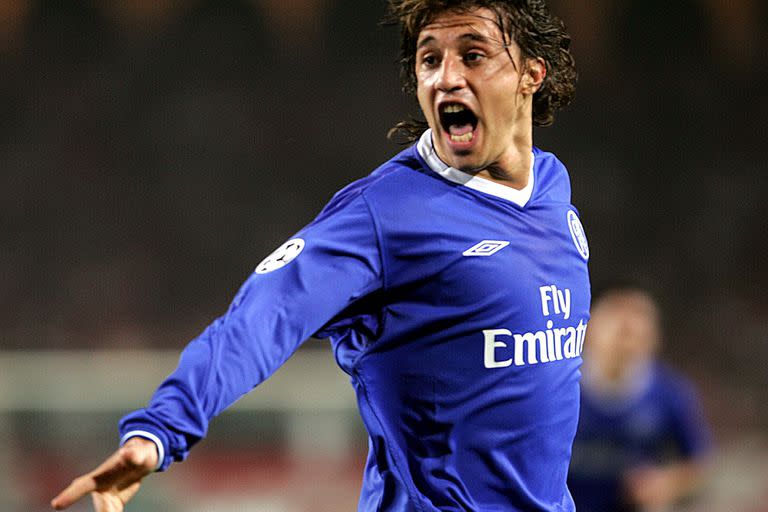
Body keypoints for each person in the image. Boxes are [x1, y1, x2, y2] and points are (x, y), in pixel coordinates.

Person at [52, 1, 588, 510]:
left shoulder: (552, 189)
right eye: (430, 59)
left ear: (530, 74)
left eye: (473, 55)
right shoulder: (386, 214)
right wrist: (161, 429)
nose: (445, 77)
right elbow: (264, 315)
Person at [567, 285, 712, 512]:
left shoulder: (669, 392)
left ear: (655, 336)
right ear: (588, 327)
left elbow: (699, 465)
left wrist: (665, 484)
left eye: (638, 317)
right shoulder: (561, 387)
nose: (628, 327)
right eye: (616, 315)